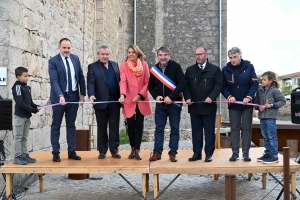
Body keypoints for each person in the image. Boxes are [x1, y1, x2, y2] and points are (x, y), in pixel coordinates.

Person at [48, 38, 86, 162]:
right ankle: (56, 152)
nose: (66, 50)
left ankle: (71, 151)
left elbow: (80, 76)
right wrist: (60, 95)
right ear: (59, 47)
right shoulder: (53, 61)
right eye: (64, 48)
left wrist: (82, 93)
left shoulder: (75, 59)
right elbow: (54, 80)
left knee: (71, 124)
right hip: (59, 97)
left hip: (73, 96)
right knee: (56, 125)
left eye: (68, 48)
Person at [184, 46, 223, 162]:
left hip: (208, 107)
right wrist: (188, 97)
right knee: (196, 132)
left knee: (209, 131)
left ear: (206, 55)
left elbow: (218, 85)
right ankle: (197, 153)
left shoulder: (215, 70)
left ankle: (209, 154)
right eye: (196, 54)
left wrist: (211, 97)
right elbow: (185, 86)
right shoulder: (190, 70)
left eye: (200, 54)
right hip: (194, 107)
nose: (198, 57)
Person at [148, 46, 186, 162]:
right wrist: (156, 96)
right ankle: (157, 153)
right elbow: (150, 86)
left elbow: (182, 83)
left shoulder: (176, 66)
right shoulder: (154, 70)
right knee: (159, 128)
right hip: (160, 105)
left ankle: (173, 153)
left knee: (174, 128)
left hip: (174, 104)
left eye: (165, 55)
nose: (163, 57)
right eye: (160, 55)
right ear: (158, 56)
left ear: (168, 56)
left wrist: (171, 96)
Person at [221, 47, 258, 162]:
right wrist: (228, 96)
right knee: (234, 128)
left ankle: (246, 152)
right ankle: (235, 152)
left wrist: (249, 96)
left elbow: (254, 84)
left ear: (240, 56)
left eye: (235, 57)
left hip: (247, 103)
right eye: (230, 58)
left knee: (247, 128)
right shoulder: (225, 69)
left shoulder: (249, 66)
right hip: (233, 104)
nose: (232, 60)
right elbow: (222, 86)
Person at [87, 45, 121, 159]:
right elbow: (91, 82)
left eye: (107, 54)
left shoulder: (115, 65)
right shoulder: (92, 67)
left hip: (114, 100)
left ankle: (114, 150)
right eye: (103, 54)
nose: (105, 56)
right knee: (101, 126)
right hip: (100, 101)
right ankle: (102, 150)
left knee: (114, 126)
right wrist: (91, 94)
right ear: (98, 54)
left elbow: (120, 81)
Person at [119, 44, 152, 160]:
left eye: (133, 52)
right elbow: (122, 81)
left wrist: (140, 95)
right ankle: (132, 147)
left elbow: (148, 82)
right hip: (129, 99)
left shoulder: (144, 65)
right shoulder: (123, 66)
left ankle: (137, 150)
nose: (131, 54)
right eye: (129, 52)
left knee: (139, 124)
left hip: (141, 98)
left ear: (137, 53)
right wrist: (122, 94)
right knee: (130, 124)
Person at [254, 71, 286, 163]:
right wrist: (258, 107)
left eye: (264, 80)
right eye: (262, 80)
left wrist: (271, 105)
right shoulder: (259, 91)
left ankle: (274, 155)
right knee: (265, 136)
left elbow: (282, 101)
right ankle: (267, 154)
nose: (262, 81)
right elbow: (256, 103)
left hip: (270, 118)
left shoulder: (275, 91)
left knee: (272, 136)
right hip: (262, 117)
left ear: (271, 80)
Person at [12, 67, 39, 165]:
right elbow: (20, 103)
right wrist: (32, 109)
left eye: (28, 76)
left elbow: (29, 102)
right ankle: (17, 157)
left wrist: (35, 106)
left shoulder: (27, 87)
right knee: (18, 137)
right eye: (25, 76)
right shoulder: (17, 87)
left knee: (24, 137)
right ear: (18, 76)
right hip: (20, 117)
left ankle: (24, 154)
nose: (27, 78)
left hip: (27, 116)